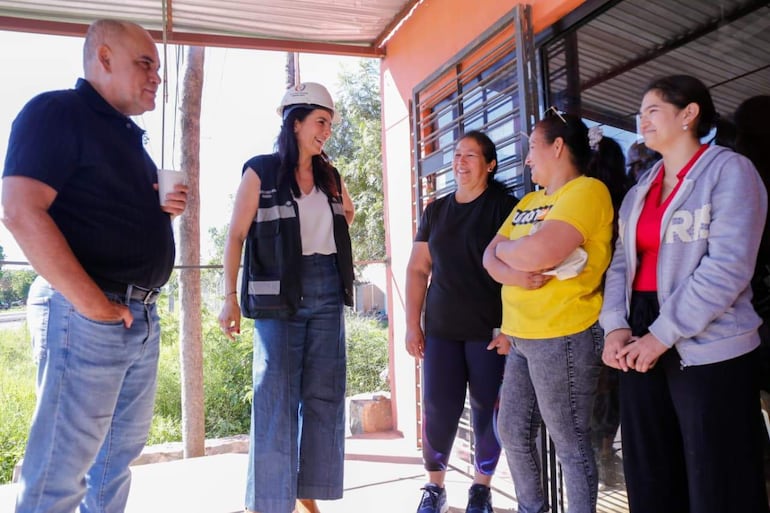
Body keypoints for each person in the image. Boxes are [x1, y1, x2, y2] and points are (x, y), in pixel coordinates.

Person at [1, 19, 188, 513]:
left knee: (112, 466)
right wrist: (93, 306)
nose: (157, 77)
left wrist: (160, 208)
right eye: (145, 63)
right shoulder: (56, 112)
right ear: (103, 58)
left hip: (136, 316)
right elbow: (19, 209)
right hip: (88, 312)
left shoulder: (127, 136)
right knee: (60, 472)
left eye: (158, 67)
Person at [600, 75, 769, 513]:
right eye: (640, 114)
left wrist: (662, 334)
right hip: (640, 328)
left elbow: (728, 266)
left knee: (718, 475)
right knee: (651, 470)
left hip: (708, 338)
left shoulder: (730, 171)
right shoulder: (640, 189)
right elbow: (621, 261)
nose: (642, 121)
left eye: (652, 110)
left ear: (689, 114)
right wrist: (615, 326)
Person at [217, 82, 354, 513]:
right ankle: (269, 502)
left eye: (330, 124)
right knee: (275, 397)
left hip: (327, 287)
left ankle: (305, 490)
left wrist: (334, 192)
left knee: (323, 396)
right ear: (295, 123)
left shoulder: (330, 176)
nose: (326, 131)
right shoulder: (260, 171)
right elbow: (236, 236)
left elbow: (347, 214)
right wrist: (229, 298)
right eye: (320, 122)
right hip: (279, 296)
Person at [483, 111, 614, 513]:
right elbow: (488, 257)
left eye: (532, 148)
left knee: (569, 442)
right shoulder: (528, 201)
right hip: (522, 335)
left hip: (564, 334)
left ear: (558, 147)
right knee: (512, 431)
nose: (526, 160)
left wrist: (512, 254)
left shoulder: (587, 191)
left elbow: (538, 251)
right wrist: (517, 270)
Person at [405, 130, 517, 513]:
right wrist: (411, 324)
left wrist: (512, 328)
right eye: (457, 154)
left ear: (490, 164)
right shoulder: (436, 211)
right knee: (438, 408)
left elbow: (520, 267)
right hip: (441, 331)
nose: (461, 162)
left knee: (489, 411)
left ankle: (481, 489)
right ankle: (434, 487)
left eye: (471, 156)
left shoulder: (505, 207)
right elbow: (419, 269)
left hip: (490, 332)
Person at [585, 130, 629, 488]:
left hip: (592, 303)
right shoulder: (628, 199)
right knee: (610, 385)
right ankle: (603, 451)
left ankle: (600, 454)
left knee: (599, 384)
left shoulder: (584, 200)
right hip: (622, 306)